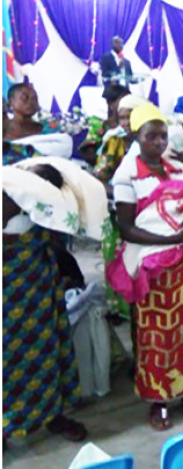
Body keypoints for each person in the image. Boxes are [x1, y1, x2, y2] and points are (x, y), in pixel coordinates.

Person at [111, 103, 183, 430]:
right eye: (151, 136)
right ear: (136, 136)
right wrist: (169, 240)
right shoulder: (127, 176)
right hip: (155, 268)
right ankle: (158, 400)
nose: (159, 142)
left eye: (163, 136)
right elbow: (126, 228)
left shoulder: (177, 168)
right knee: (158, 335)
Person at [3, 163, 87, 443]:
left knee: (48, 350)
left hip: (40, 287)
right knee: (8, 357)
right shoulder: (8, 198)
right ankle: (7, 425)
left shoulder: (42, 204)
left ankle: (51, 413)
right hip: (8, 295)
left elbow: (56, 237)